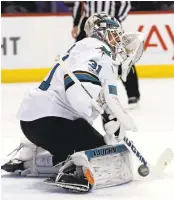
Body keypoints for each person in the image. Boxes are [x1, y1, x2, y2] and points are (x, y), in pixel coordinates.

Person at [2, 13, 144, 192]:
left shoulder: (88, 48)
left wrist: (109, 115)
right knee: (102, 156)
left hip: (38, 122)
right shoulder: (99, 48)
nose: (117, 39)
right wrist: (102, 110)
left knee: (102, 150)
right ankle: (77, 172)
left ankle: (33, 159)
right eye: (114, 34)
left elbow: (90, 92)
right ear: (101, 34)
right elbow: (78, 83)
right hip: (51, 121)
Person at [72, 1, 140, 107]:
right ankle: (76, 93)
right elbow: (79, 4)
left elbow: (125, 4)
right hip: (89, 24)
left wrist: (115, 20)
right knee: (79, 57)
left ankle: (133, 94)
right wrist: (76, 24)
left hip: (110, 25)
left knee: (122, 57)